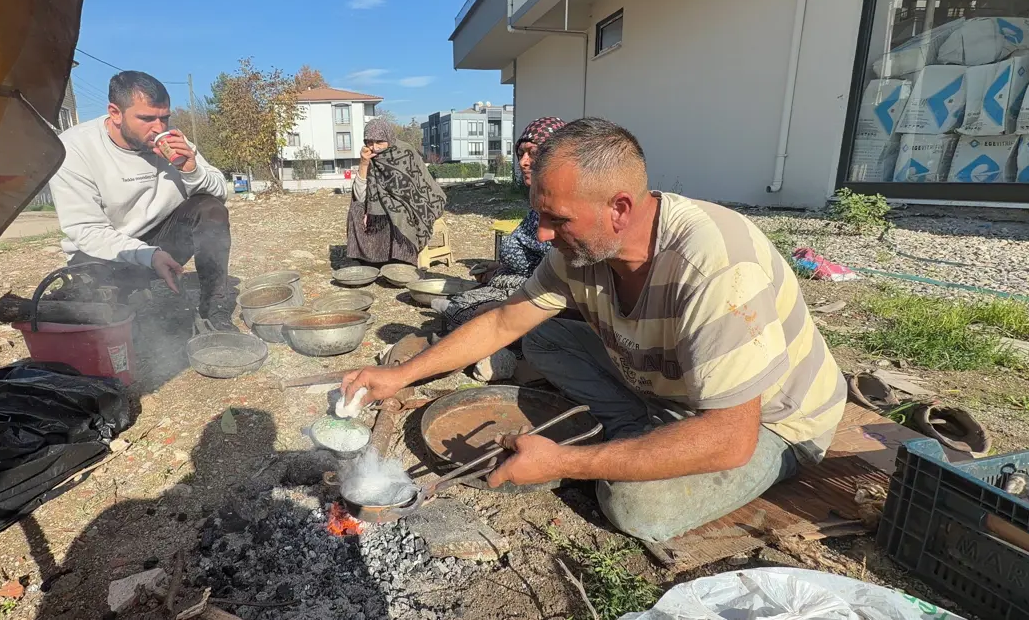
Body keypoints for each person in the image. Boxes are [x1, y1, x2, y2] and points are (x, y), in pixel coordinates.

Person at [342, 118, 847, 542]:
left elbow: (730, 439)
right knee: (544, 337)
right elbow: (503, 320)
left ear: (619, 209)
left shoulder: (715, 265)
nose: (543, 234)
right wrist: (401, 375)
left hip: (770, 423)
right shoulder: (580, 249)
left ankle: (651, 438)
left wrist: (565, 461)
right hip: (677, 385)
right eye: (539, 215)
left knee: (633, 506)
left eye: (556, 219)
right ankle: (642, 429)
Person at [50, 71, 233, 329]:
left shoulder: (174, 141)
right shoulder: (74, 149)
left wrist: (191, 170)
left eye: (164, 118)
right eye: (147, 119)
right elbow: (86, 230)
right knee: (107, 321)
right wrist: (148, 255)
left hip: (163, 244)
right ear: (115, 113)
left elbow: (219, 194)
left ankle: (215, 312)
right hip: (107, 256)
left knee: (210, 209)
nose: (159, 128)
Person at [432, 117, 566, 331]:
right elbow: (531, 254)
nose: (523, 162)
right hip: (522, 280)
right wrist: (498, 268)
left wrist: (499, 276)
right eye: (521, 153)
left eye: (533, 153)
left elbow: (558, 276)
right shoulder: (538, 203)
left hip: (545, 294)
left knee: (467, 313)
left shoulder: (566, 206)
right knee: (462, 307)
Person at [346, 119, 446, 266]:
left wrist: (387, 204)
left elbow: (413, 190)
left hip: (410, 203)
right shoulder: (369, 157)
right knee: (356, 210)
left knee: (396, 212)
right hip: (376, 205)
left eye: (379, 142)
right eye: (369, 142)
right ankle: (367, 260)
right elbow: (360, 195)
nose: (374, 147)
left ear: (389, 138)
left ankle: (401, 261)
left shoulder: (405, 153)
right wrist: (364, 163)